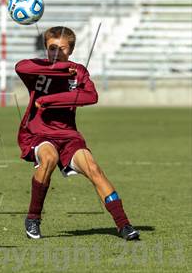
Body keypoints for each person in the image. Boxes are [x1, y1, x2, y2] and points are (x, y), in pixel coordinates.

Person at [15, 26, 139, 240]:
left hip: (69, 136)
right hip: (39, 134)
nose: (56, 53)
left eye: (62, 49)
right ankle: (33, 218)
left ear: (70, 50)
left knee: (93, 169)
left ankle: (124, 225)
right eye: (52, 48)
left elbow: (91, 96)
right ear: (46, 48)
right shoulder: (38, 68)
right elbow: (20, 67)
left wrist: (49, 100)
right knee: (49, 158)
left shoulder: (78, 71)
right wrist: (57, 70)